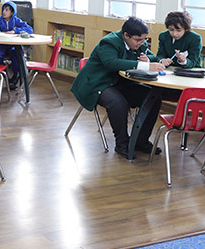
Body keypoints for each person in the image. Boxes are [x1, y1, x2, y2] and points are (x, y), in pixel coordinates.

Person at [70, 16, 169, 159]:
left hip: (119, 82)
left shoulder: (138, 43)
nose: (142, 43)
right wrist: (145, 65)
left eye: (144, 40)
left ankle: (140, 141)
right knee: (117, 102)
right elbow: (111, 63)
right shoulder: (109, 42)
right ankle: (122, 143)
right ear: (126, 35)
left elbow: (150, 57)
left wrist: (149, 60)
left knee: (153, 98)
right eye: (138, 40)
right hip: (97, 83)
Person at [0, 1, 33, 89]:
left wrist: (15, 31)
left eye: (7, 10)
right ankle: (5, 76)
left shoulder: (16, 20)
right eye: (3, 9)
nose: (4, 12)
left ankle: (15, 76)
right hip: (1, 45)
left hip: (13, 45)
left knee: (15, 54)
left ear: (12, 12)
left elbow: (29, 29)